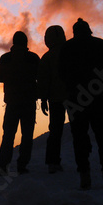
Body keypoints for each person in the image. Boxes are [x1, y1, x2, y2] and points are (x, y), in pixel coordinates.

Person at [60, 18, 103, 190]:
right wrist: (98, 79)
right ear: (89, 30)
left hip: (75, 99)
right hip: (96, 97)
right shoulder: (100, 45)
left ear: (74, 32)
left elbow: (61, 72)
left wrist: (73, 85)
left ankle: (84, 177)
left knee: (79, 138)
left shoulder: (67, 47)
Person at [0, 31, 40, 175]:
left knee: (8, 135)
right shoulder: (33, 58)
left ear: (13, 42)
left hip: (12, 103)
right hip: (28, 103)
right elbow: (41, 76)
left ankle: (3, 167)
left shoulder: (6, 58)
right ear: (26, 43)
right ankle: (22, 165)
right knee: (27, 135)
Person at [37, 25, 68, 174]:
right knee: (79, 129)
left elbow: (43, 81)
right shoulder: (72, 52)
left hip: (55, 99)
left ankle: (53, 162)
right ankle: (83, 160)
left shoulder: (47, 57)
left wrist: (43, 99)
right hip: (75, 96)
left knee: (55, 131)